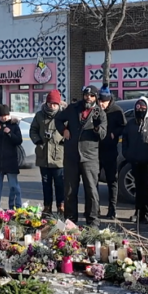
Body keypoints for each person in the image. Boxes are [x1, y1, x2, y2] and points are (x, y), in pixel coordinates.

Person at [55, 85, 107, 226]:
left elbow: (103, 134)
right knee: (70, 190)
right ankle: (70, 221)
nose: (88, 98)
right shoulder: (73, 108)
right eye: (86, 95)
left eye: (92, 96)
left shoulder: (100, 113)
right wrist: (63, 130)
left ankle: (93, 221)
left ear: (96, 97)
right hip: (71, 155)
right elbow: (58, 119)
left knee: (91, 191)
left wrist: (97, 127)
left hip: (89, 157)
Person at [121, 97, 148, 226]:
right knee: (138, 187)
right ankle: (139, 213)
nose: (140, 110)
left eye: (143, 108)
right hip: (135, 160)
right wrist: (127, 154)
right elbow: (125, 140)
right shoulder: (131, 124)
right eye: (138, 108)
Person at [29, 90, 65, 216]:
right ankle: (47, 206)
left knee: (60, 184)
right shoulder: (39, 115)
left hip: (59, 155)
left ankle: (61, 206)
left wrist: (63, 140)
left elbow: (69, 131)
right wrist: (38, 141)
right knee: (46, 184)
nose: (52, 106)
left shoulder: (63, 115)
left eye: (55, 104)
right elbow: (33, 130)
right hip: (43, 155)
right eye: (50, 104)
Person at [98, 87, 125, 219]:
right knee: (93, 181)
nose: (101, 104)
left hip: (110, 150)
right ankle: (95, 208)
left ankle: (112, 209)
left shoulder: (116, 111)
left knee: (112, 181)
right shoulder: (96, 110)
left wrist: (115, 133)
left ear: (109, 101)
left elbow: (123, 126)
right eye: (99, 101)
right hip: (96, 150)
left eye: (103, 102)